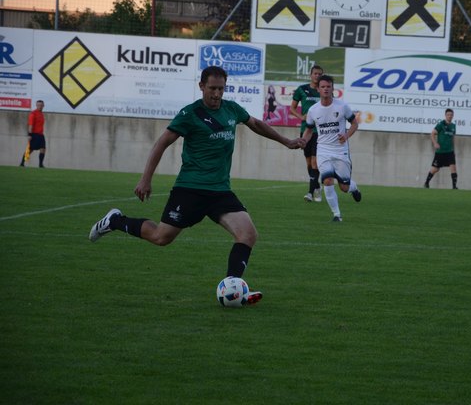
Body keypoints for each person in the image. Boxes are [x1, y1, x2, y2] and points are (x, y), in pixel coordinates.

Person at [88, 66, 305, 305]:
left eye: (221, 89)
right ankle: (115, 220)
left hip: (220, 191)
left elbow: (255, 124)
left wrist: (286, 141)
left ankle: (232, 288)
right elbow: (161, 143)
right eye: (212, 88)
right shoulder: (190, 114)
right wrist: (146, 179)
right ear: (201, 86)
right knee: (161, 237)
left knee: (248, 234)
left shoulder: (232, 109)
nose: (216, 94)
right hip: (190, 189)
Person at [302, 74, 361, 222]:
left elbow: (355, 124)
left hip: (341, 151)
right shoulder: (313, 110)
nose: (326, 89)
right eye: (323, 87)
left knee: (344, 187)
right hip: (323, 150)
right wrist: (303, 140)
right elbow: (309, 130)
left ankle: (354, 188)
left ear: (333, 88)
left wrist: (346, 135)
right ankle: (337, 215)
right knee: (327, 180)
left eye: (329, 86)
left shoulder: (342, 106)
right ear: (318, 89)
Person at [290, 64, 323, 202]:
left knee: (315, 162)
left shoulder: (324, 90)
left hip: (320, 131)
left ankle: (310, 193)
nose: (317, 76)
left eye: (320, 74)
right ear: (311, 75)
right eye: (315, 73)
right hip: (306, 130)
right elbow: (292, 108)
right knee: (309, 163)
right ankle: (317, 186)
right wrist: (301, 116)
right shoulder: (302, 89)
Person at [424, 108, 458, 189]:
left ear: (453, 116)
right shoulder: (441, 124)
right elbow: (432, 134)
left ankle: (454, 187)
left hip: (449, 151)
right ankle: (426, 183)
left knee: (453, 168)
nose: (450, 116)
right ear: (445, 115)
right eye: (448, 115)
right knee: (435, 169)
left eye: (451, 115)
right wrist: (435, 143)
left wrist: (453, 149)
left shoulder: (453, 126)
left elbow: (452, 138)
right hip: (440, 152)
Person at [19, 100, 46, 168]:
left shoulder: (42, 114)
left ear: (43, 106)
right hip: (34, 134)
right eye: (38, 105)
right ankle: (22, 163)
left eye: (41, 105)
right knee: (30, 150)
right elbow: (30, 125)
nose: (39, 106)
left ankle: (40, 165)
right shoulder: (33, 113)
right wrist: (30, 135)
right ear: (36, 105)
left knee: (43, 149)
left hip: (41, 135)